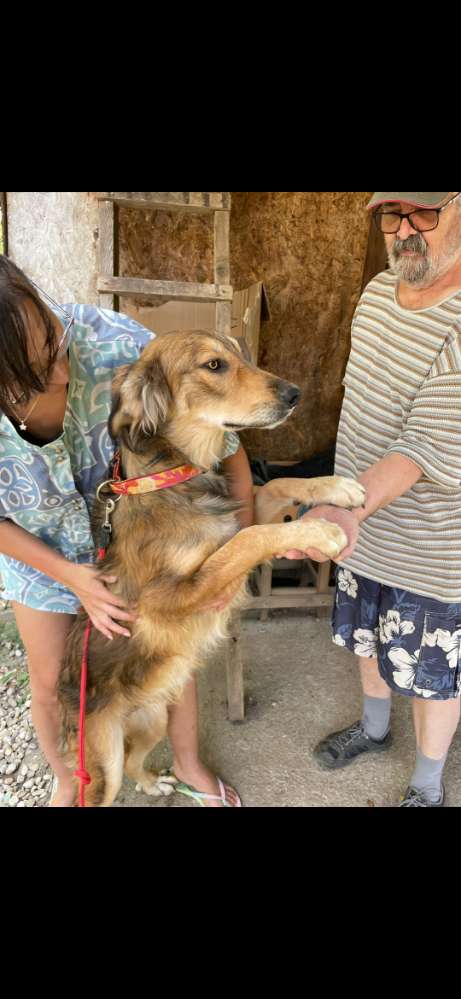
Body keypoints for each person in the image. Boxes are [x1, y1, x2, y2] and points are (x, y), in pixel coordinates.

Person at [0, 255, 253, 806]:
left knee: (166, 653)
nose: (63, 371)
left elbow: (224, 445)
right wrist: (73, 578)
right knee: (52, 685)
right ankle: (73, 783)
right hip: (37, 551)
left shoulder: (115, 341)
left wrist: (236, 555)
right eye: (36, 372)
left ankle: (188, 763)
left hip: (140, 539)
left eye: (55, 340)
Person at [283, 192, 461, 806]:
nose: (406, 230)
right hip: (361, 524)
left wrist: (346, 507)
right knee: (365, 637)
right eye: (393, 216)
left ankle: (426, 787)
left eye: (424, 214)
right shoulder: (377, 296)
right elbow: (362, 409)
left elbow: (422, 445)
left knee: (431, 674)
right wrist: (341, 504)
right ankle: (375, 729)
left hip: (433, 544)